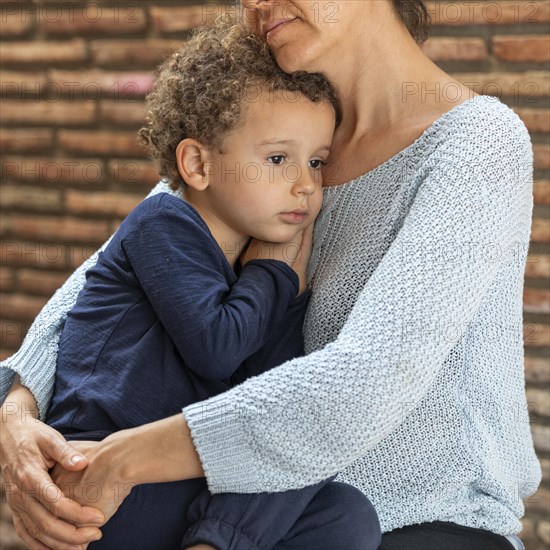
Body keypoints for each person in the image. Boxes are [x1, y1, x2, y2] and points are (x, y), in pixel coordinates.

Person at [0, 1, 541, 549]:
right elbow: (87, 294)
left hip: (415, 521)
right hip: (224, 515)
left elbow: (362, 385)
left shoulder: (475, 145)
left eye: (313, 162)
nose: (257, 3)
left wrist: (115, 461)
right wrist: (19, 420)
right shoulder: (267, 123)